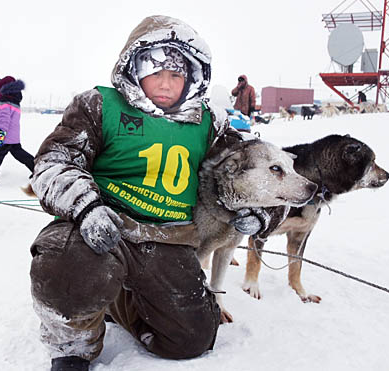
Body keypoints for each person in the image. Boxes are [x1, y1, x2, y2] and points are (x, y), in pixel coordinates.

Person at [28, 15, 268, 371]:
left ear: (192, 77)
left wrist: (252, 206)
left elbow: (244, 168)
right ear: (134, 68)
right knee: (67, 270)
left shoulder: (210, 123)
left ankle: (116, 300)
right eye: (155, 72)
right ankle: (73, 346)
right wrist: (86, 207)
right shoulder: (99, 105)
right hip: (99, 228)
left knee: (191, 339)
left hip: (168, 239)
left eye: (176, 74)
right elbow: (54, 162)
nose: (166, 84)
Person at [0, 76, 33, 187]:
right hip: (14, 137)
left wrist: (0, 137)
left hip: (5, 137)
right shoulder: (15, 101)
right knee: (21, 155)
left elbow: (4, 121)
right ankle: (37, 169)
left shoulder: (4, 102)